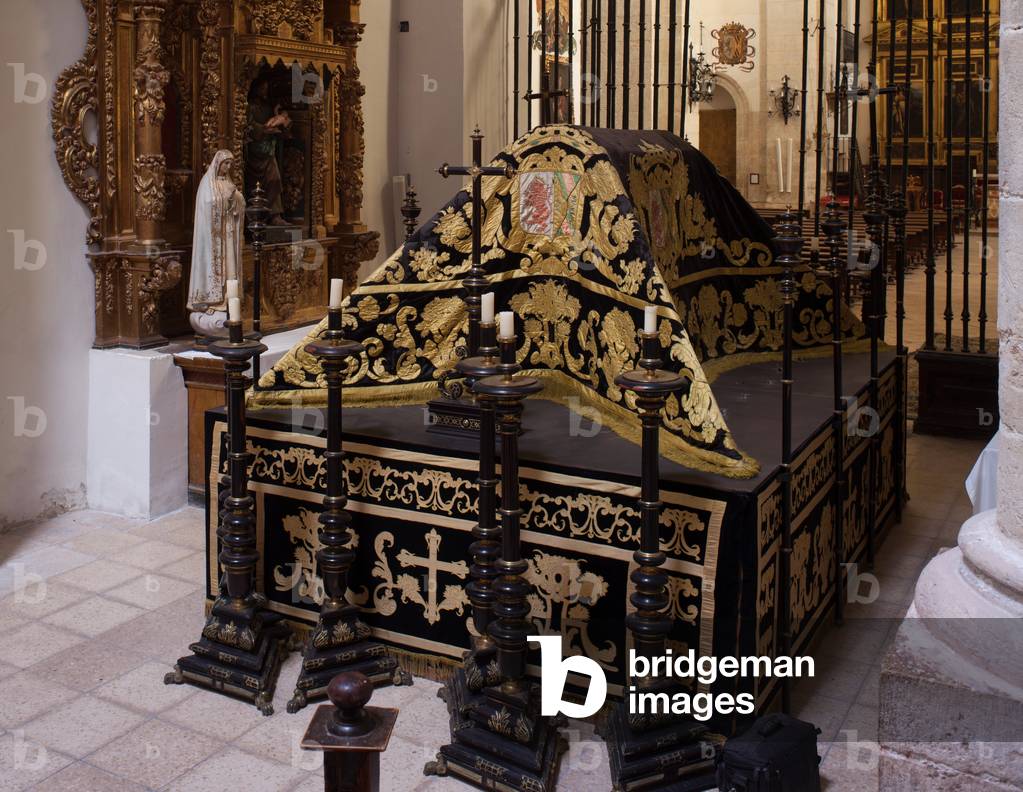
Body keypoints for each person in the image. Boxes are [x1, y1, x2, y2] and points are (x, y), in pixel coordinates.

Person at [187, 150, 245, 338]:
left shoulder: (228, 183)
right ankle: (212, 303)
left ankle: (227, 302)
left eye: (230, 164)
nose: (228, 167)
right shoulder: (207, 183)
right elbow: (207, 204)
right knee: (214, 270)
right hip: (213, 240)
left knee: (230, 270)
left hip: (228, 235)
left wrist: (235, 200)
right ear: (217, 164)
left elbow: (240, 203)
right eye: (225, 164)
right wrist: (223, 201)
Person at [246, 78, 292, 225]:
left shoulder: (268, 106)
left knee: (275, 180)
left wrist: (281, 121)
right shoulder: (249, 107)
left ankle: (275, 215)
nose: (265, 91)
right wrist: (263, 129)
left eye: (266, 88)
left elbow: (282, 121)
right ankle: (256, 217)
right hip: (254, 152)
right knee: (254, 185)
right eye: (262, 88)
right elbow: (248, 125)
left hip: (268, 152)